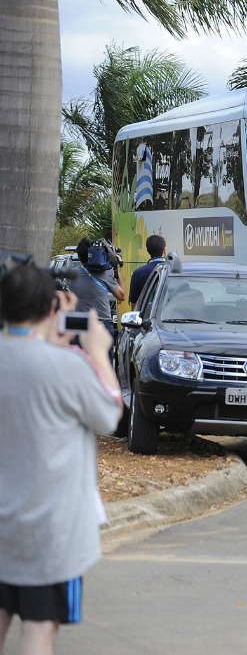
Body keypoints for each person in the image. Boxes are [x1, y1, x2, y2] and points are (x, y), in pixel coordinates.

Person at [0, 262, 122, 655]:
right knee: (39, 632)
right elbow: (110, 413)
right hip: (50, 538)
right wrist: (98, 353)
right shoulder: (68, 367)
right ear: (52, 309)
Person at [68, 237, 125, 339]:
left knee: (81, 355)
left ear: (79, 255)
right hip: (102, 325)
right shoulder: (105, 274)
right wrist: (118, 272)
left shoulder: (72, 275)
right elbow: (122, 296)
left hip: (80, 325)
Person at [128, 234, 166, 307]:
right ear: (164, 249)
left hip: (147, 317)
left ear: (148, 251)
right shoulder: (174, 271)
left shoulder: (138, 273)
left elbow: (134, 306)